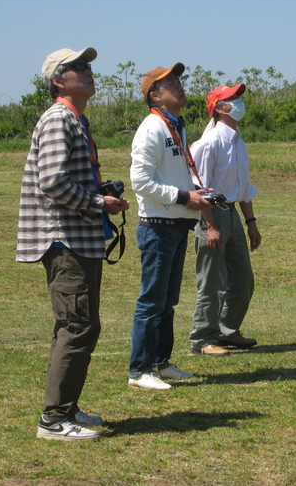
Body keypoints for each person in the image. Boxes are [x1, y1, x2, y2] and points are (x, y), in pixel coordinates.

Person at [16, 47, 129, 440]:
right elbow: (52, 182)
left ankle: (67, 409)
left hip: (79, 239)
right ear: (58, 80)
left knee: (79, 324)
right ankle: (53, 421)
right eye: (78, 67)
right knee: (78, 325)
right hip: (64, 240)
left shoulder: (76, 120)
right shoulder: (58, 119)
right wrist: (99, 201)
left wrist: (101, 193)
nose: (89, 71)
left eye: (89, 65)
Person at [128, 63, 212, 390]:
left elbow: (173, 175)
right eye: (171, 83)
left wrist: (197, 195)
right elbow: (140, 181)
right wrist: (182, 196)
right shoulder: (153, 127)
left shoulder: (176, 126)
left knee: (167, 301)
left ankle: (160, 362)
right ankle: (140, 370)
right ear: (155, 95)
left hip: (176, 225)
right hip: (158, 226)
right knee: (152, 300)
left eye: (179, 80)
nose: (180, 86)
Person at [189, 84, 261, 356]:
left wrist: (251, 222)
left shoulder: (238, 142)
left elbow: (244, 187)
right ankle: (202, 338)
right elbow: (200, 188)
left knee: (242, 278)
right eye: (233, 98)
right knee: (211, 281)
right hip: (213, 214)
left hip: (231, 212)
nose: (239, 102)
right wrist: (210, 225)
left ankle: (227, 331)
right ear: (219, 108)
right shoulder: (209, 143)